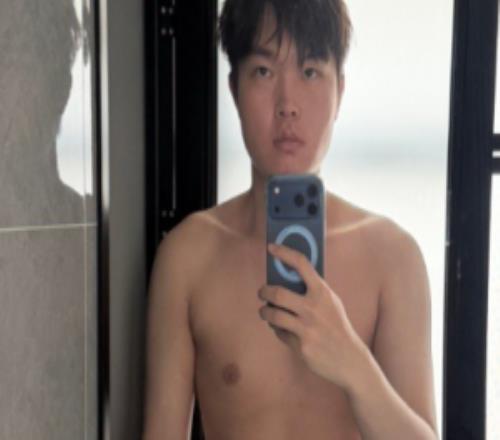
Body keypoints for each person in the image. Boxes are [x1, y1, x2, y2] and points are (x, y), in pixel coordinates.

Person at [142, 0, 439, 439]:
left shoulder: (393, 258)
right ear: (234, 90)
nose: (287, 104)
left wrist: (351, 362)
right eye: (263, 71)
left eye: (310, 72)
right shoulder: (187, 258)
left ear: (340, 92)